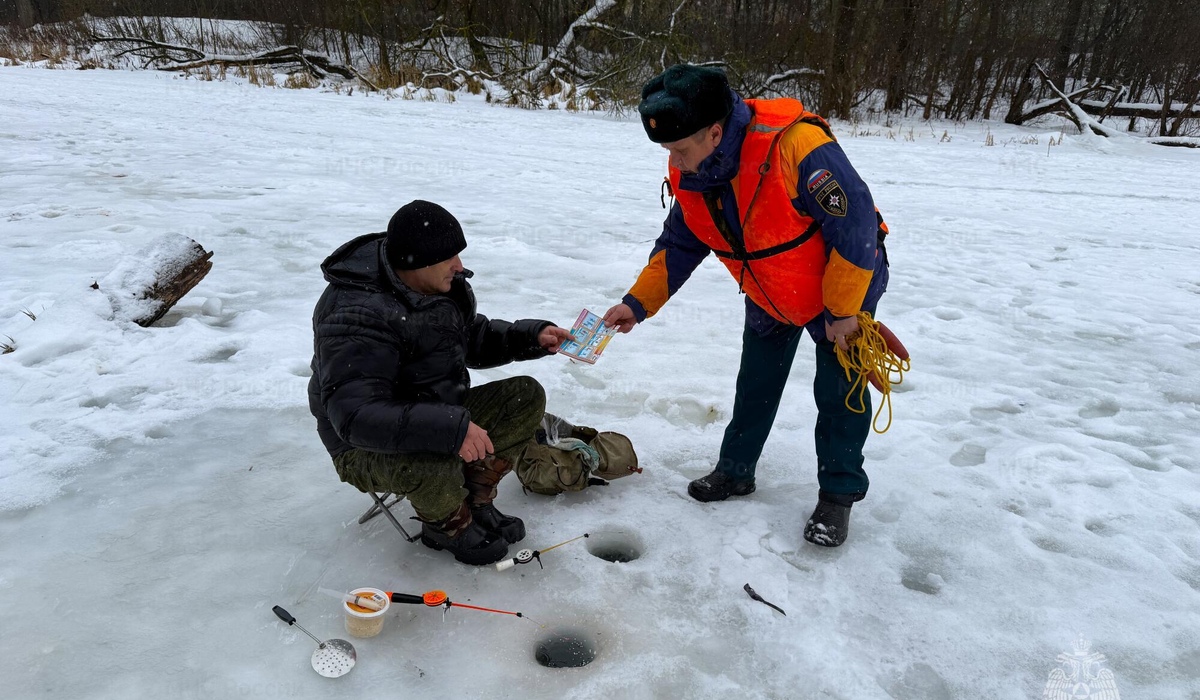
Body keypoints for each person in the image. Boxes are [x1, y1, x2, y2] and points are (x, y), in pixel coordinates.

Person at [603, 65, 891, 547]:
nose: (674, 160)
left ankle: (837, 497)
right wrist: (638, 303)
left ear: (715, 131)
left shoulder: (798, 147)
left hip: (843, 288)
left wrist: (843, 311)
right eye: (668, 151)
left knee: (840, 394)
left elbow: (856, 226)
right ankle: (735, 472)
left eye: (680, 149)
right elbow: (681, 241)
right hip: (769, 289)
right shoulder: (695, 167)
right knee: (755, 383)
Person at [308, 200, 574, 565]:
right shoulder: (355, 313)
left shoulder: (433, 288)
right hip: (361, 447)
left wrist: (532, 336)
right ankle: (447, 525)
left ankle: (476, 502)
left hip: (431, 411)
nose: (460, 267)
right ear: (416, 262)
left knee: (523, 396)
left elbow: (469, 337)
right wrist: (450, 428)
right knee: (431, 456)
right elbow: (355, 415)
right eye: (449, 257)